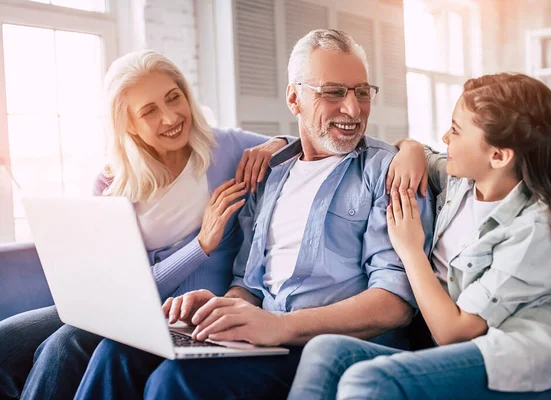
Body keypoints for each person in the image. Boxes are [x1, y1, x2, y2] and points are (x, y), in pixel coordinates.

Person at [73, 29, 434, 400]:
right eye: (333, 92)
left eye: (361, 91)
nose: (353, 109)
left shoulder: (388, 172)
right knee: (117, 353)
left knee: (176, 380)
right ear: (294, 98)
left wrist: (279, 325)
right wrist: (220, 308)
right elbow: (249, 283)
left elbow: (395, 304)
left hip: (331, 349)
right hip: (267, 339)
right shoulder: (268, 174)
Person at [287, 73, 551, 400]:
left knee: (370, 380)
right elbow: (416, 149)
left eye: (457, 130)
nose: (446, 137)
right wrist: (410, 150)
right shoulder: (461, 183)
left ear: (499, 156)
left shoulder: (533, 229)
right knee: (326, 350)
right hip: (464, 358)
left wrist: (411, 251)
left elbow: (453, 332)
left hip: (518, 367)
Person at [0, 49, 288, 400]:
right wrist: (200, 246)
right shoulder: (111, 183)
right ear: (128, 124)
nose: (170, 117)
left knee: (65, 345)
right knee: (6, 341)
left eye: (174, 98)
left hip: (186, 309)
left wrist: (276, 143)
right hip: (123, 306)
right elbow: (125, 290)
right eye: (149, 111)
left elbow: (305, 145)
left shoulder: (224, 148)